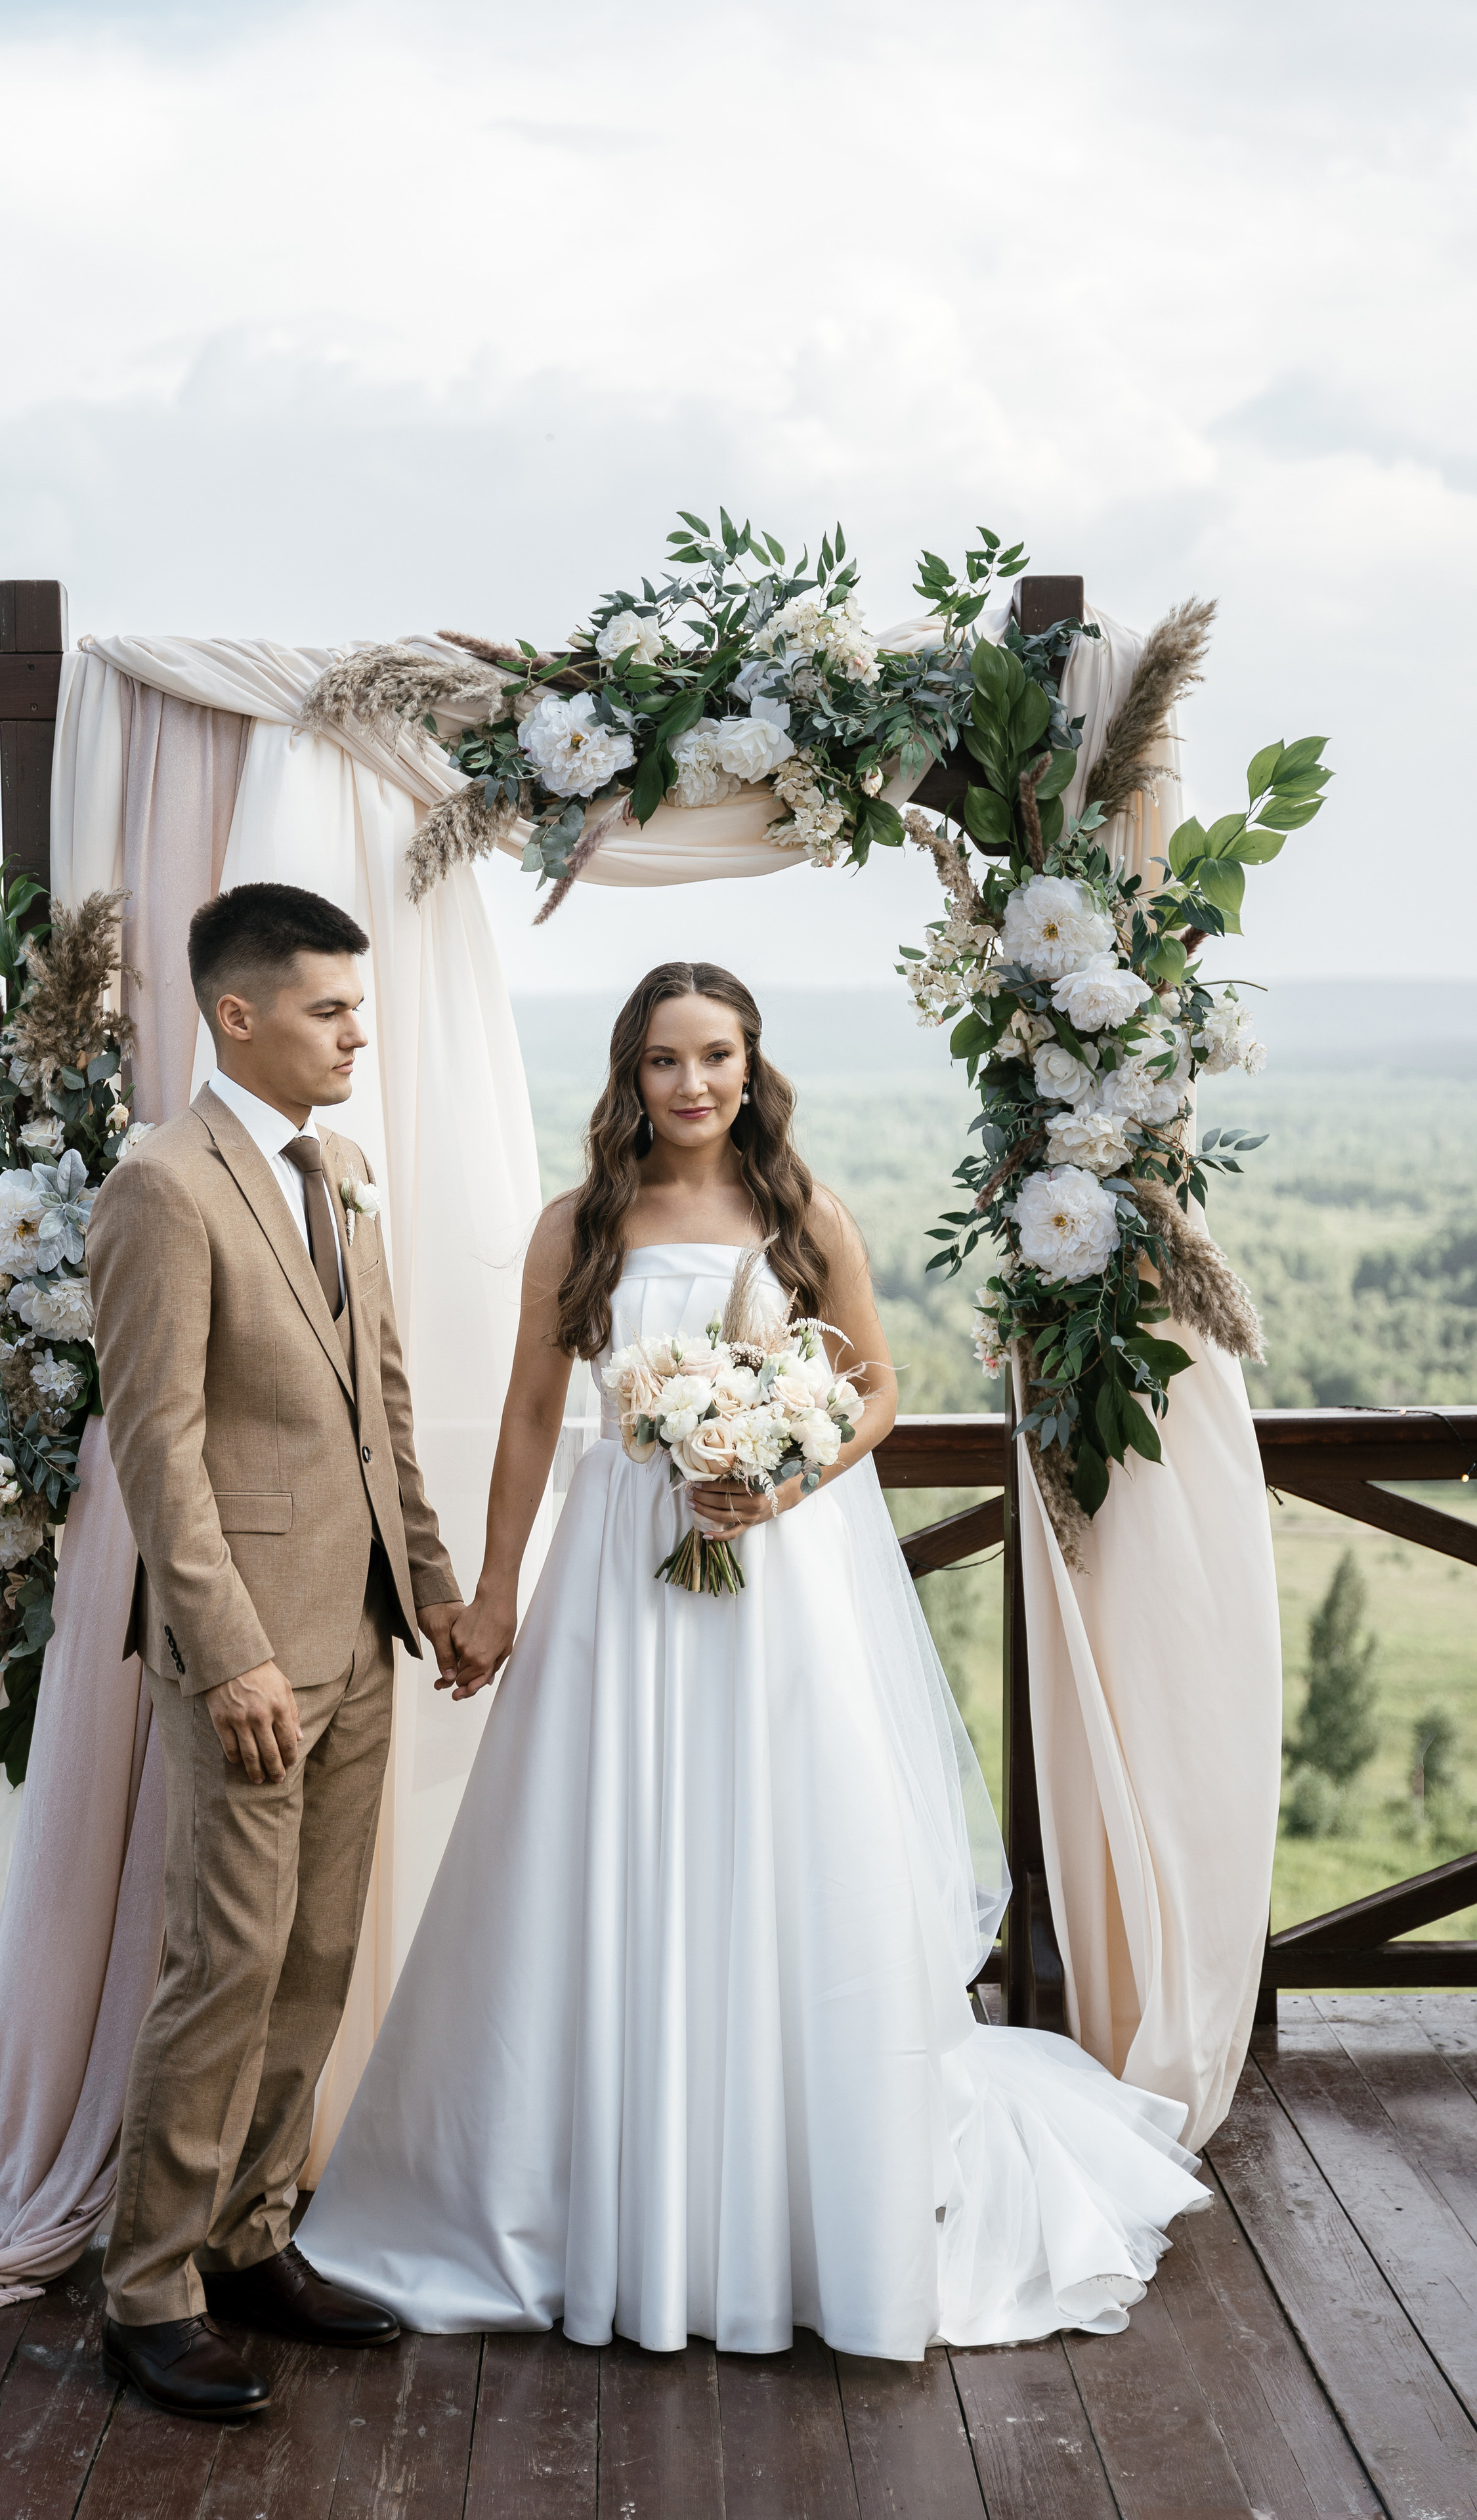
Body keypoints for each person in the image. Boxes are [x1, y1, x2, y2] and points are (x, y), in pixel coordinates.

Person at [297, 961, 1209, 2361]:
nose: (691, 1084)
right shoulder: (577, 1226)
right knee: (597, 1860)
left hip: (776, 1580)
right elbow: (535, 1418)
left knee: (784, 1855)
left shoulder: (801, 1215)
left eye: (714, 1055)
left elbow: (881, 1387)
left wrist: (783, 1482)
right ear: (629, 1076)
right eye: (663, 1061)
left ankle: (794, 2209)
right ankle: (577, 2206)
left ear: (750, 1063)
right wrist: (497, 1595)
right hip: (618, 1579)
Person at [86, 881, 463, 2418]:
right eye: (327, 1008)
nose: (353, 1033)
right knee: (223, 1963)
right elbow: (157, 1448)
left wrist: (429, 1584)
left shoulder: (345, 1168)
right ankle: (145, 2289)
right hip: (243, 1653)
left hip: (361, 1632)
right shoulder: (162, 1188)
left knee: (314, 1957)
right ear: (235, 1014)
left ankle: (251, 2240)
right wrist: (228, 1651)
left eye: (357, 1007)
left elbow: (380, 1396)